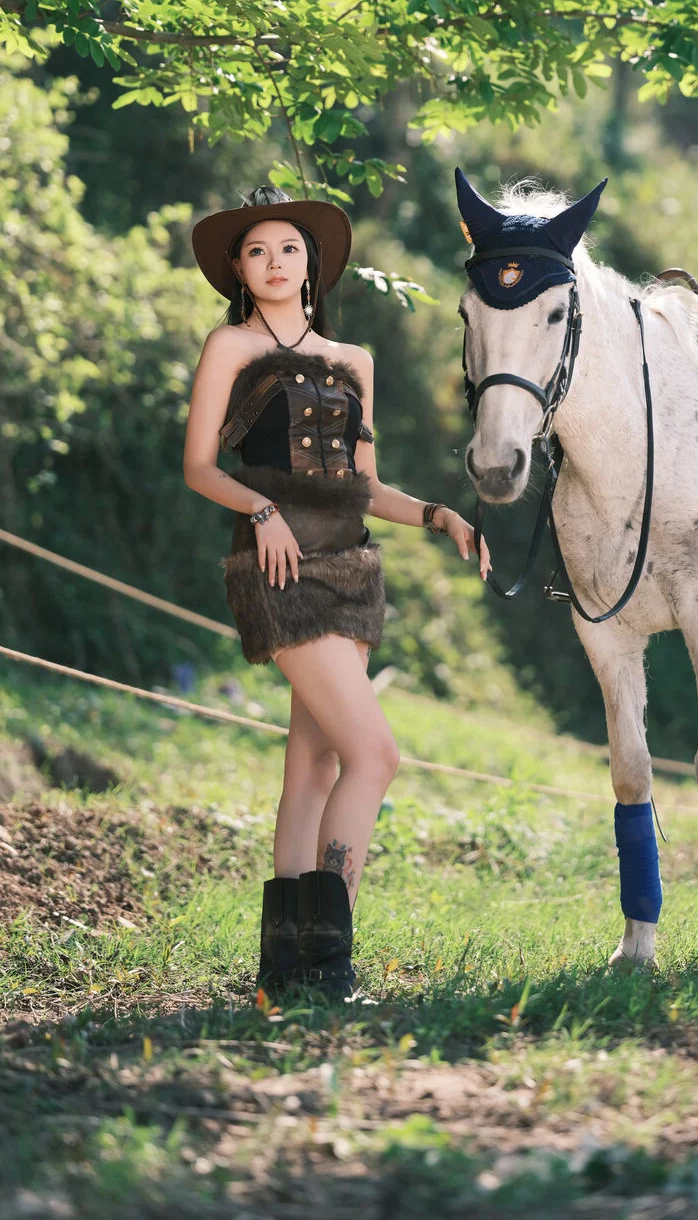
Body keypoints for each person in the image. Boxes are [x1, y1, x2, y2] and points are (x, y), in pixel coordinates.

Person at [184, 185, 489, 1000]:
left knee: (314, 768)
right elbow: (200, 467)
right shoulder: (230, 346)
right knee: (375, 755)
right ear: (238, 270)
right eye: (257, 251)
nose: (274, 262)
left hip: (352, 568)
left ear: (311, 264)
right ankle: (329, 965)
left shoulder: (355, 361)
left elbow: (366, 487)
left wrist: (439, 515)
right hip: (280, 570)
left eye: (288, 248)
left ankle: (284, 971)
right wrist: (263, 510)